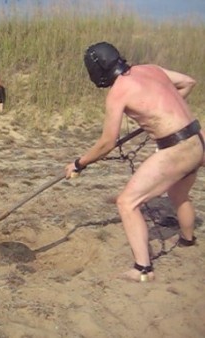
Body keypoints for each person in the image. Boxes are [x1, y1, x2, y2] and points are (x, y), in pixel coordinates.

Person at [64, 41, 204, 282]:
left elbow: (107, 142)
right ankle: (187, 239)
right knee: (179, 195)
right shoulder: (150, 69)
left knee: (127, 202)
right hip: (197, 139)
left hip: (177, 149)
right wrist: (158, 113)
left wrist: (79, 164)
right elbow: (188, 82)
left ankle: (142, 269)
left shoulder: (118, 92)